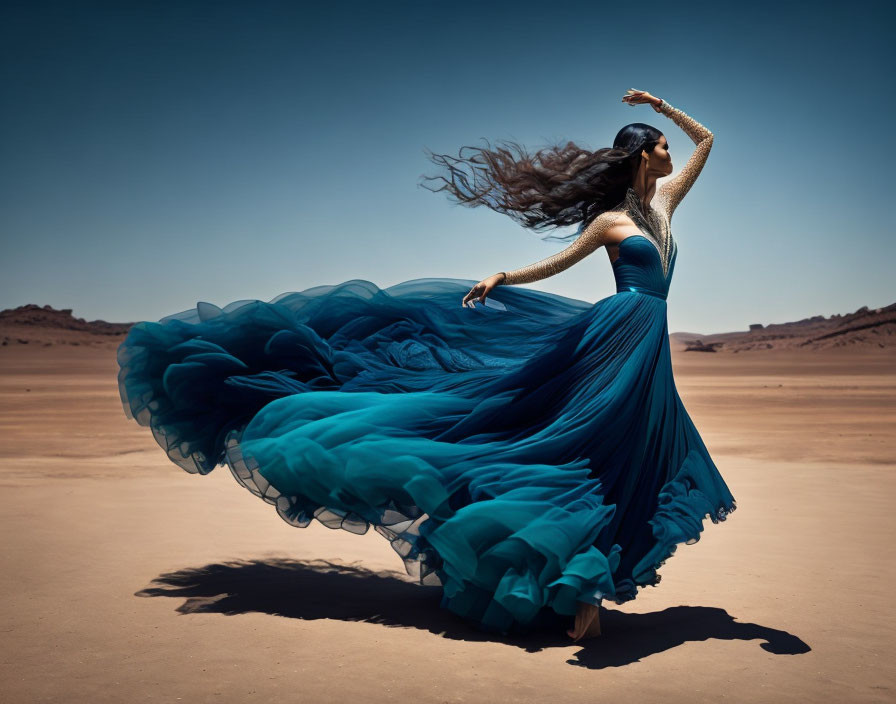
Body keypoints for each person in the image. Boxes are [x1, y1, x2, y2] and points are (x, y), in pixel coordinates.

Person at [117, 88, 736, 643]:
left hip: (649, 337)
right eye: (658, 146)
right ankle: (579, 588)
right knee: (583, 444)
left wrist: (662, 109)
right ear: (639, 158)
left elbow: (705, 139)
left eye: (663, 146)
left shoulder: (666, 203)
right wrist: (505, 275)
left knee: (634, 448)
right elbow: (561, 263)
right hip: (617, 335)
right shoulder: (610, 220)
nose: (666, 151)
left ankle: (579, 580)